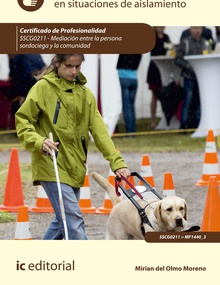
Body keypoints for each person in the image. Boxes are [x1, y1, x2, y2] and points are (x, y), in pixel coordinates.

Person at [15, 54, 130, 240]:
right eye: (69, 66)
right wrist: (39, 141)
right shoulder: (42, 88)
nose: (74, 71)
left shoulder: (85, 94)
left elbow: (100, 133)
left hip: (75, 165)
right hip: (50, 164)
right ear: (58, 63)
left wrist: (117, 163)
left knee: (63, 221)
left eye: (78, 66)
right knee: (72, 219)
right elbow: (23, 121)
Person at [174, 26, 209, 130]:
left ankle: (197, 125)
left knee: (200, 102)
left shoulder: (205, 43)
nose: (197, 30)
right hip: (189, 77)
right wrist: (190, 67)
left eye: (199, 28)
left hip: (201, 78)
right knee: (187, 102)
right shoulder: (185, 43)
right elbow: (177, 60)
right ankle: (184, 126)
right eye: (195, 28)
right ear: (190, 29)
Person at [146, 27, 173, 129]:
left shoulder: (166, 37)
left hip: (164, 69)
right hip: (154, 70)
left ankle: (165, 118)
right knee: (154, 96)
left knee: (164, 95)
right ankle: (153, 120)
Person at [116, 54, 142, 133]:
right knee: (131, 106)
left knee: (126, 106)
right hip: (134, 78)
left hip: (122, 77)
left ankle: (129, 130)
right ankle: (132, 129)